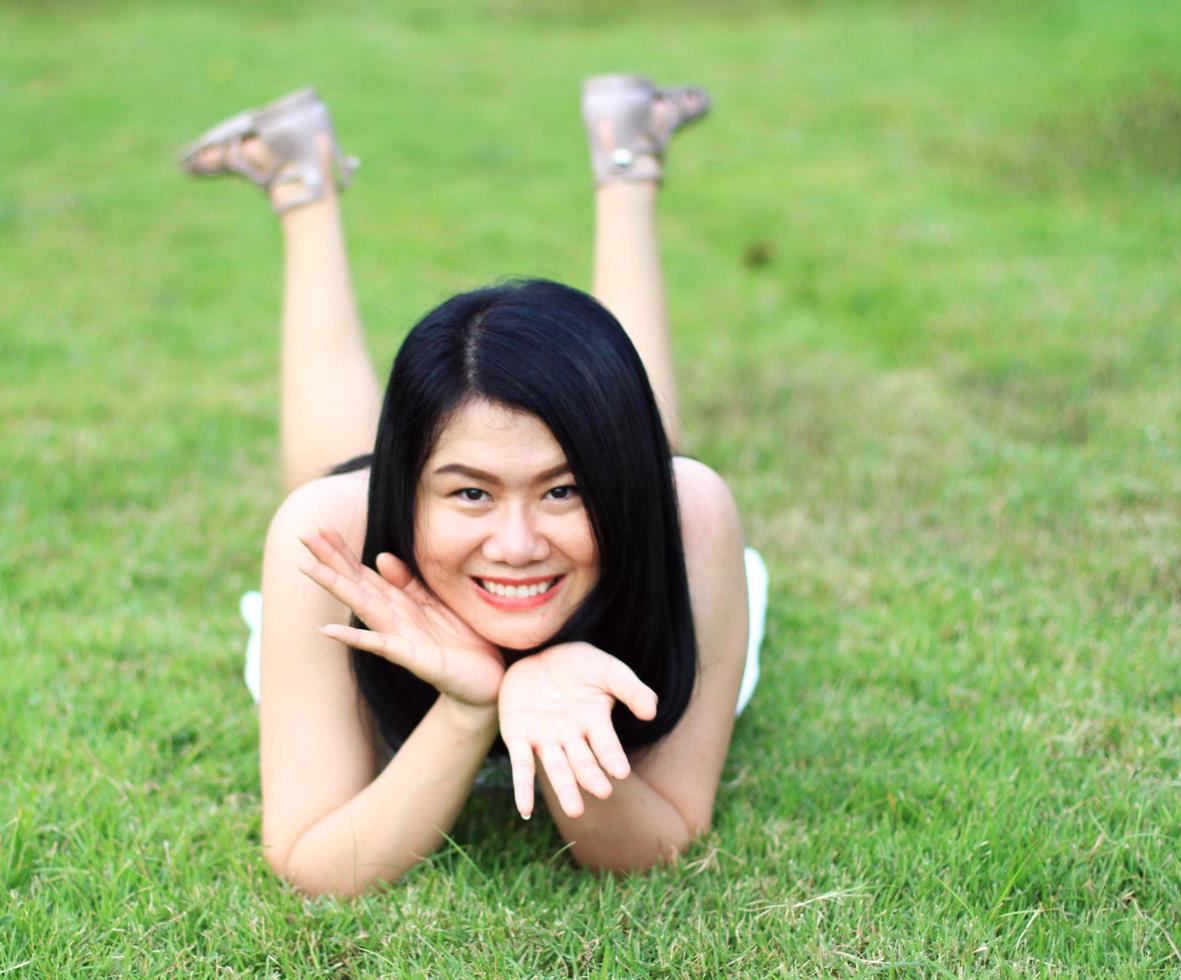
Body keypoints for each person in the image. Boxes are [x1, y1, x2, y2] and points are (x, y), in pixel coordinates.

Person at [179, 76, 768, 898]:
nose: (519, 545)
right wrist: (469, 708)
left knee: (630, 428)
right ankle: (298, 179)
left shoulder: (692, 517)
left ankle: (629, 156)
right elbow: (315, 860)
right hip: (363, 522)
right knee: (326, 489)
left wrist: (553, 687)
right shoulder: (328, 540)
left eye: (563, 492)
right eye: (469, 495)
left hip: (641, 511)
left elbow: (659, 837)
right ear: (408, 490)